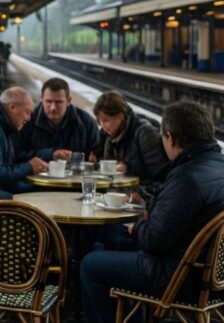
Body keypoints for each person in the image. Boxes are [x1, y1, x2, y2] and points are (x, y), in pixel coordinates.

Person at [80, 101, 224, 323]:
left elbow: (154, 241)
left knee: (90, 264)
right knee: (116, 239)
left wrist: (136, 227)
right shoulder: (218, 165)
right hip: (214, 277)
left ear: (170, 137)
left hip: (180, 277)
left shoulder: (186, 178)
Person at [91, 90, 168, 199]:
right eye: (99, 122)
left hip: (142, 198)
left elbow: (161, 176)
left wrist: (129, 168)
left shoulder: (144, 133)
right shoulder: (109, 136)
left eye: (106, 120)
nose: (102, 126)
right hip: (118, 197)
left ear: (120, 116)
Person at [0, 87, 47, 201]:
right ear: (12, 107)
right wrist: (29, 167)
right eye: (27, 112)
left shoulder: (1, 125)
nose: (29, 118)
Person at [13, 78, 101, 163]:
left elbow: (97, 155)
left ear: (69, 100)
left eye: (59, 102)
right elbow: (16, 155)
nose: (53, 107)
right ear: (41, 99)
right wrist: (50, 154)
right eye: (48, 101)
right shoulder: (27, 120)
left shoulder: (86, 122)